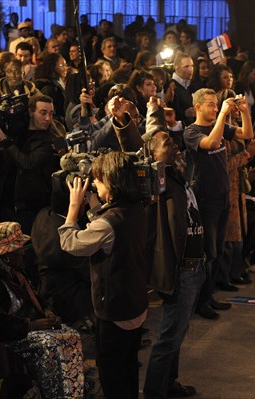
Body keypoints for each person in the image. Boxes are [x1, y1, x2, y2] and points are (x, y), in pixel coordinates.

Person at [110, 96, 204, 399]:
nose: (174, 146)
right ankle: (154, 392)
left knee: (178, 334)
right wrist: (125, 125)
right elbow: (136, 152)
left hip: (196, 265)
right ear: (152, 153)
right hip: (180, 270)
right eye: (166, 144)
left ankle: (169, 383)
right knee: (168, 338)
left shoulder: (177, 172)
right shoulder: (156, 179)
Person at [0, 221, 84, 397]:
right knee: (50, 346)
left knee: (70, 335)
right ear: (6, 254)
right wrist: (32, 325)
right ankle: (54, 394)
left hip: (21, 323)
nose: (23, 253)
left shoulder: (11, 267)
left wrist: (47, 311)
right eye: (19, 249)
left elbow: (34, 296)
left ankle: (71, 392)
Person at [59, 151, 148, 399]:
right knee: (129, 368)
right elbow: (110, 228)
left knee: (112, 376)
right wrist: (94, 208)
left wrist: (73, 208)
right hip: (136, 305)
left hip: (115, 312)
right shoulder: (136, 208)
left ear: (111, 182)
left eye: (97, 181)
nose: (95, 186)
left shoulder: (108, 223)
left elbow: (71, 243)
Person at [184, 88, 254, 319]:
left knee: (216, 252)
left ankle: (208, 296)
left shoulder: (221, 125)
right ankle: (199, 302)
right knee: (208, 252)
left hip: (223, 196)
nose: (215, 108)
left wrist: (244, 112)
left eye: (217, 104)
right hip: (206, 199)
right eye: (211, 105)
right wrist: (223, 115)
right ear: (198, 107)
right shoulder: (191, 132)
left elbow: (247, 134)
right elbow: (212, 144)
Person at [0, 94, 60, 233]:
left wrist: (5, 140)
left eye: (51, 114)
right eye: (43, 113)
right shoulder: (16, 132)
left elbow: (28, 164)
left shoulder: (50, 140)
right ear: (30, 112)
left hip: (28, 206)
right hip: (5, 201)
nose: (47, 118)